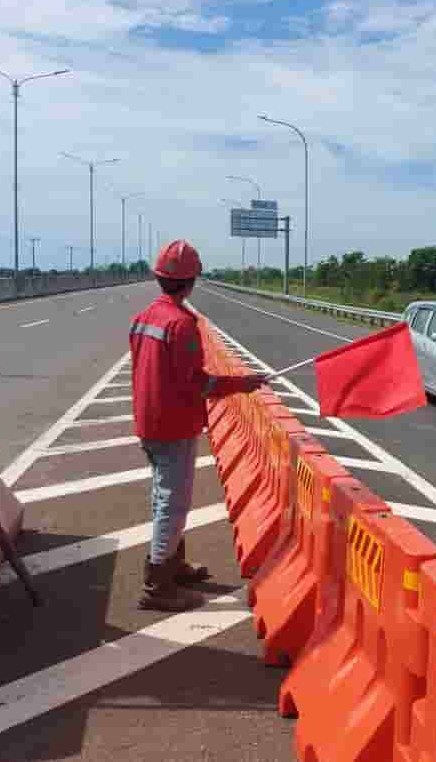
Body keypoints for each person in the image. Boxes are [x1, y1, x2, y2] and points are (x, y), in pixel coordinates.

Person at [130, 240, 265, 611]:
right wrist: (242, 383)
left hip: (149, 419)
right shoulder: (181, 324)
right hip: (173, 424)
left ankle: (173, 564)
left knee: (163, 496)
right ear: (191, 281)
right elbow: (198, 384)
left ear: (160, 278)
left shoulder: (144, 317)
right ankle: (158, 585)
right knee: (173, 502)